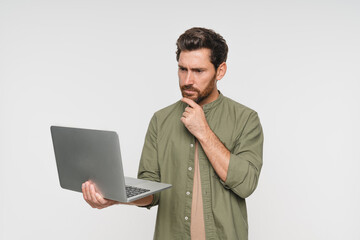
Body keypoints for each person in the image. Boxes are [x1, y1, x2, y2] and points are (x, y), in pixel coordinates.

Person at [82, 27, 264, 240]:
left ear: (220, 71)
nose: (187, 80)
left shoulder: (246, 119)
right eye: (182, 69)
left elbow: (246, 184)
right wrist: (116, 197)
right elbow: (152, 191)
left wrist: (203, 132)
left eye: (198, 71)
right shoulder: (161, 120)